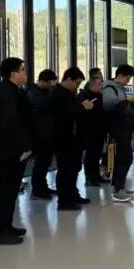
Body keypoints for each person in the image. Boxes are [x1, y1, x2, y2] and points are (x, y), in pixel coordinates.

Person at [0, 57, 33, 245]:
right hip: (9, 150)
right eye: (22, 70)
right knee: (6, 190)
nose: (25, 73)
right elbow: (10, 124)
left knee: (12, 189)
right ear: (13, 74)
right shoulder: (6, 93)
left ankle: (6, 225)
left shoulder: (16, 91)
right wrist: (23, 146)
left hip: (14, 148)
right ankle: (0, 230)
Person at [51, 67, 95, 211]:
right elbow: (65, 115)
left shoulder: (70, 94)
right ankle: (64, 200)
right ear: (68, 79)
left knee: (74, 168)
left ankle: (73, 194)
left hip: (74, 139)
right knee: (65, 170)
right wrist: (82, 108)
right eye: (76, 83)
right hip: (63, 139)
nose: (77, 86)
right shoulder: (57, 94)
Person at [102, 64, 134, 202]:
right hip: (117, 128)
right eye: (127, 78)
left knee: (124, 157)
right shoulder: (109, 88)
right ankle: (118, 190)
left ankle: (119, 186)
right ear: (120, 75)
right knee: (125, 157)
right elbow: (110, 107)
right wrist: (126, 101)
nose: (128, 81)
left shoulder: (119, 89)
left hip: (125, 127)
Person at [27, 69, 58, 200]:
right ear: (45, 81)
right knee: (40, 163)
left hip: (48, 133)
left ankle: (43, 187)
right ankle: (37, 189)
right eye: (50, 83)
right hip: (38, 134)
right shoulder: (32, 92)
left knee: (45, 163)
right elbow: (45, 105)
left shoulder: (46, 92)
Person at [78, 75, 107, 186]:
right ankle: (90, 177)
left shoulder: (100, 95)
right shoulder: (84, 95)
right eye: (99, 84)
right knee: (90, 154)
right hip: (89, 130)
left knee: (97, 154)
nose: (101, 86)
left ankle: (96, 175)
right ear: (92, 85)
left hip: (100, 129)